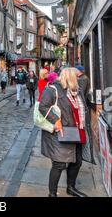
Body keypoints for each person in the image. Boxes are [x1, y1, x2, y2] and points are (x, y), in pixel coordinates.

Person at [39, 67, 94, 198]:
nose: (79, 79)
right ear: (70, 77)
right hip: (61, 132)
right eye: (77, 76)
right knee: (59, 164)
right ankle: (52, 193)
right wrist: (56, 120)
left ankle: (71, 187)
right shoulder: (52, 90)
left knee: (77, 162)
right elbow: (43, 107)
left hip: (78, 131)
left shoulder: (77, 91)